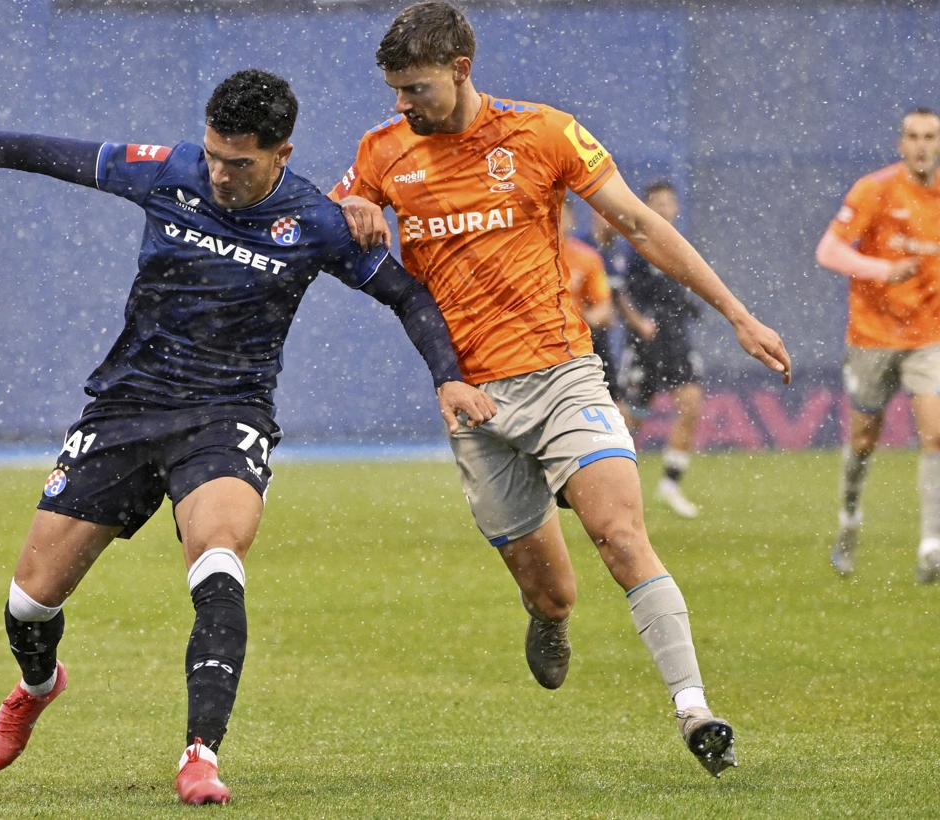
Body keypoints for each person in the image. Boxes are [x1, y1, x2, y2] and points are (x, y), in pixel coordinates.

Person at [0, 68, 495, 805]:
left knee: (217, 564)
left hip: (227, 415)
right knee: (30, 604)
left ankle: (200, 756)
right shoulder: (170, 171)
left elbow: (406, 293)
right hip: (125, 407)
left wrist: (448, 374)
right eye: (214, 154)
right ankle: (36, 685)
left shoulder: (317, 221)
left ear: (281, 154)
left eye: (238, 163)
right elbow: (38, 151)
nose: (218, 173)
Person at [332, 1, 790, 777]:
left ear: (461, 69)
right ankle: (547, 617)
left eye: (416, 89)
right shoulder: (382, 151)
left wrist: (737, 312)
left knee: (618, 532)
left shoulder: (543, 133)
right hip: (473, 402)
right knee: (553, 594)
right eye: (396, 91)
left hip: (564, 374)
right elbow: (342, 210)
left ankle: (695, 711)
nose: (402, 105)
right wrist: (351, 206)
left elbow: (640, 226)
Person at [815, 107, 940, 583]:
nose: (922, 145)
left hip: (930, 336)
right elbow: (828, 251)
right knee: (864, 438)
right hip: (872, 335)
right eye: (913, 136)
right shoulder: (876, 190)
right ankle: (849, 520)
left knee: (935, 433)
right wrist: (883, 270)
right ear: (900, 143)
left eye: (930, 136)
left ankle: (931, 545)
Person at [616, 182, 706, 518]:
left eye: (669, 203)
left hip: (676, 342)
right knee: (631, 420)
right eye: (657, 203)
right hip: (644, 345)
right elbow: (620, 290)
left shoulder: (681, 246)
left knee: (691, 405)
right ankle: (616, 486)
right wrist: (638, 321)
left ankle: (670, 484)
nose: (664, 208)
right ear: (646, 207)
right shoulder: (636, 244)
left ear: (677, 208)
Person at [559, 201, 618, 395]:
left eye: (562, 216)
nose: (557, 222)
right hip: (542, 345)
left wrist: (576, 325)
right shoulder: (527, 259)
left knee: (617, 406)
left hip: (583, 342)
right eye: (551, 217)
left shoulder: (587, 258)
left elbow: (604, 307)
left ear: (572, 221)